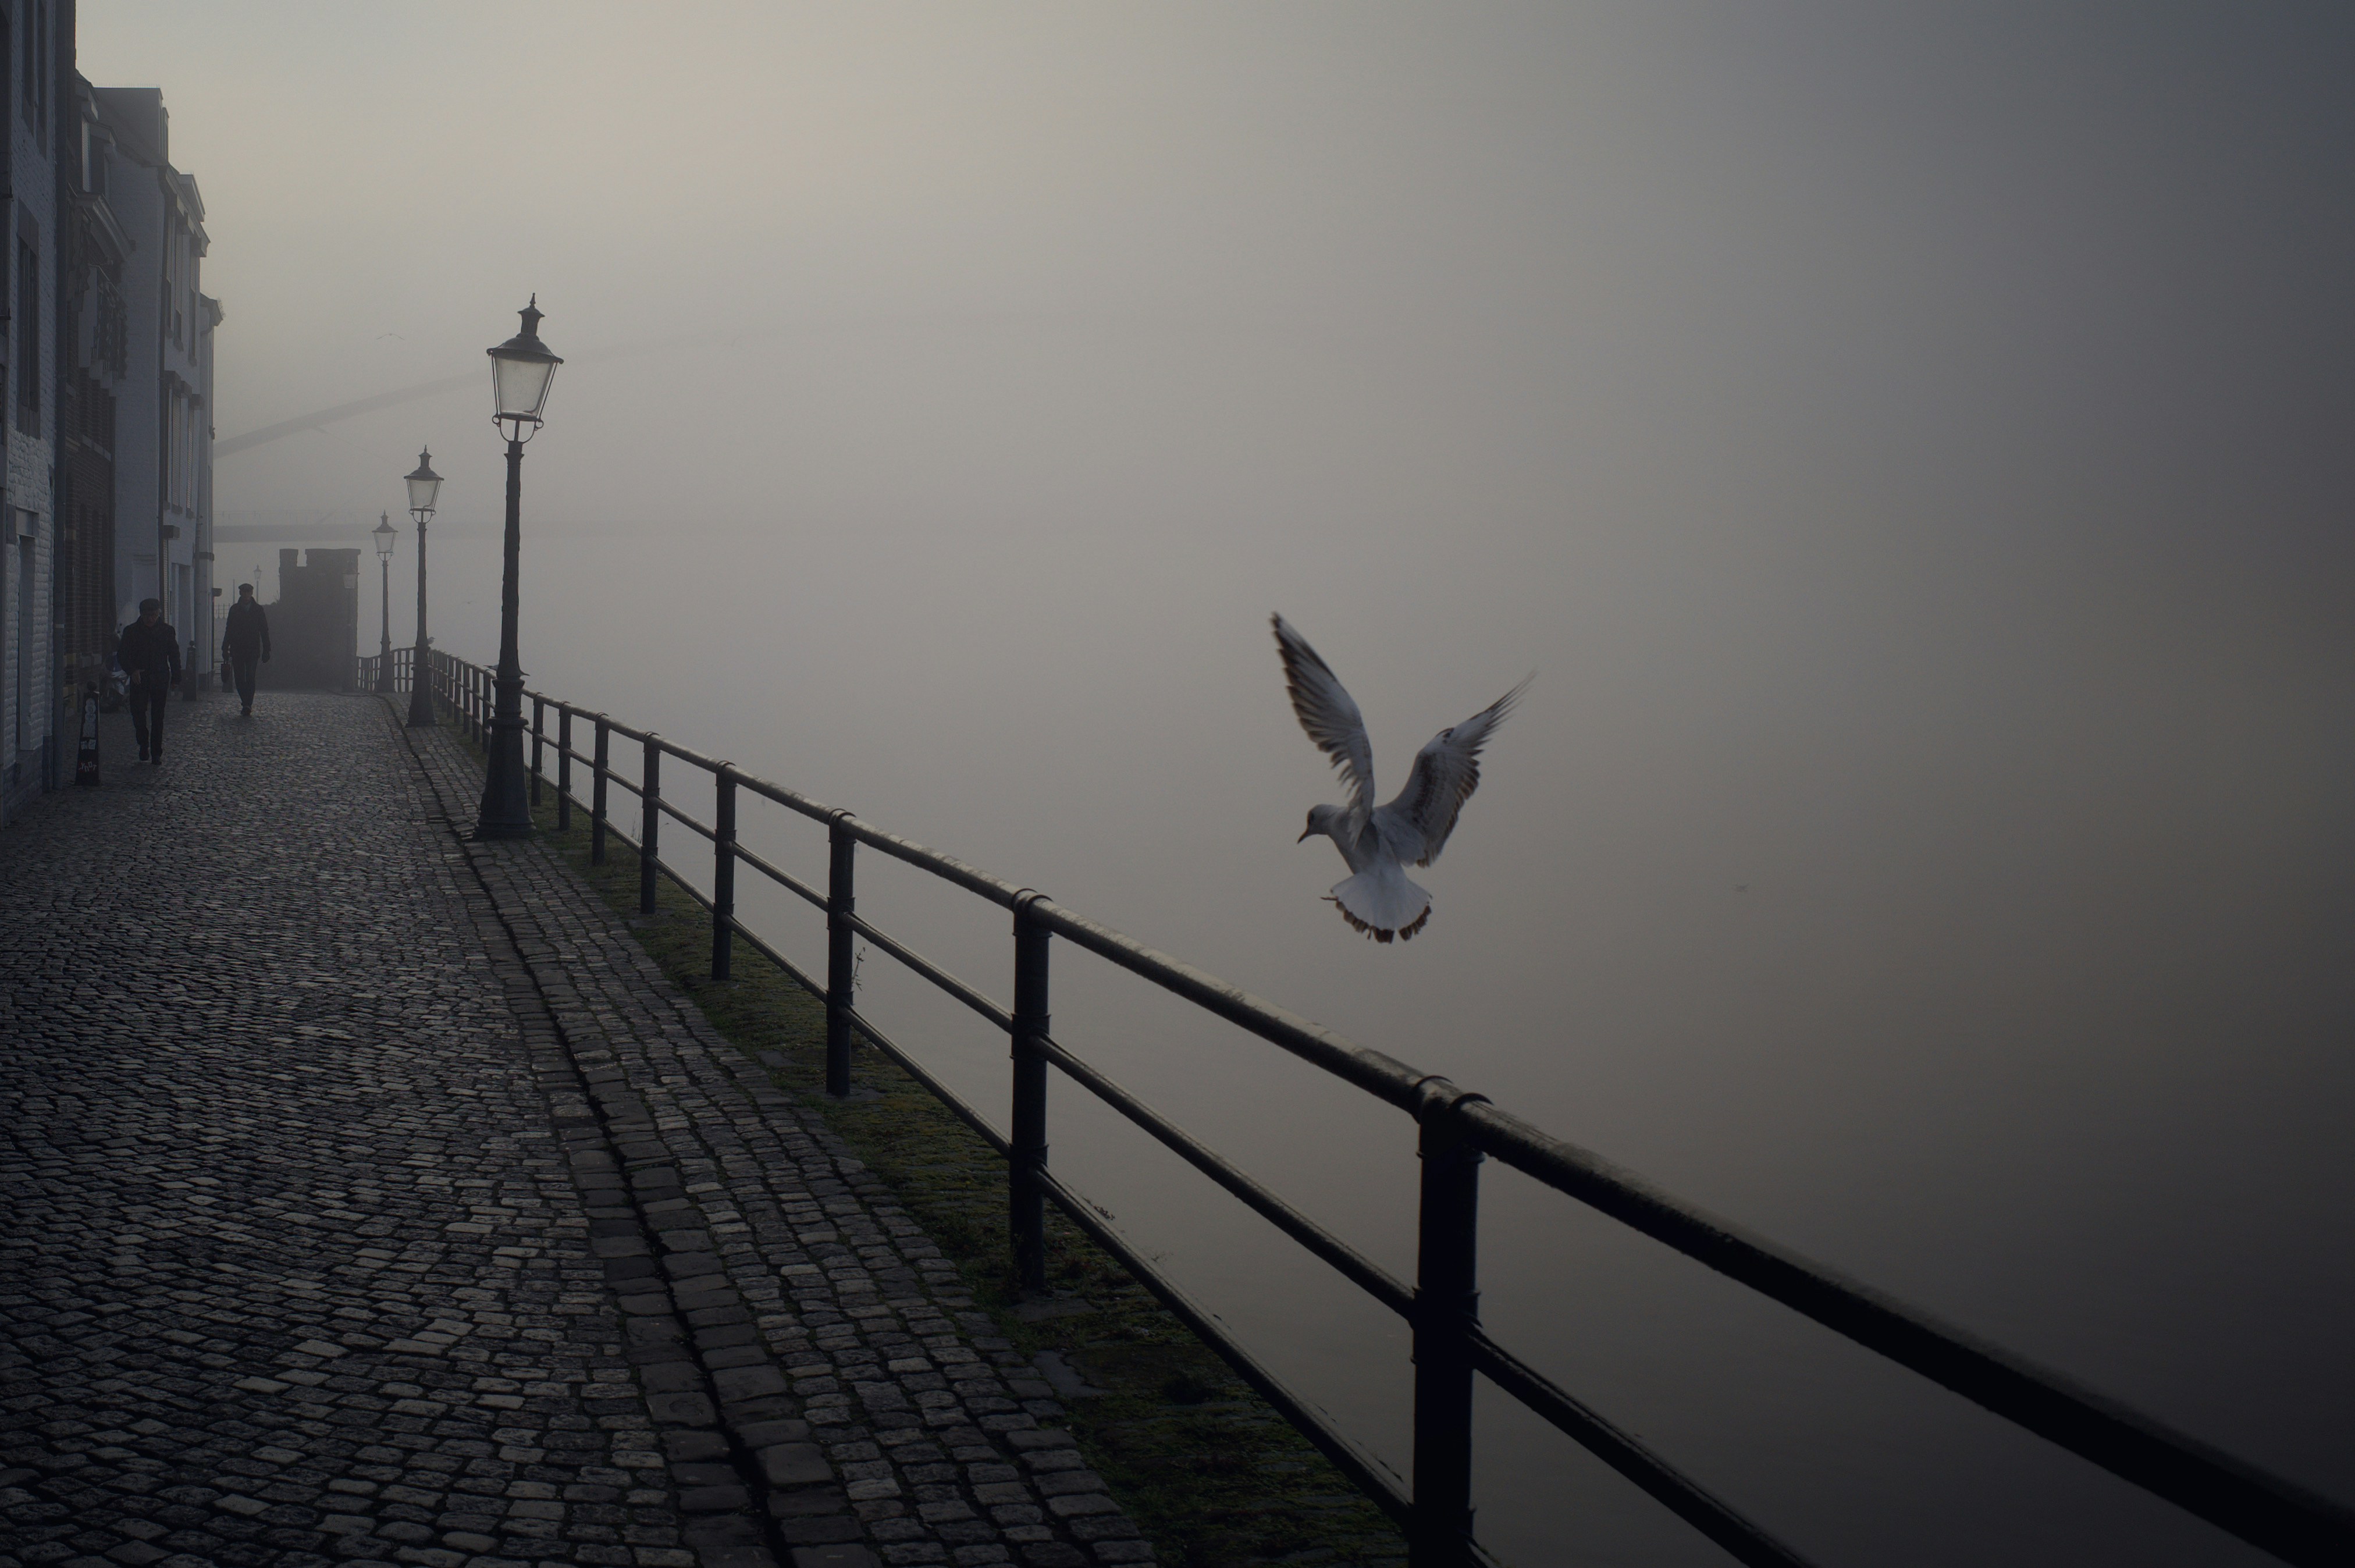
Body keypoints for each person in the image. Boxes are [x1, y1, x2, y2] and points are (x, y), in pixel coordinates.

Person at [118, 599, 182, 764]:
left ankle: (156, 752)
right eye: (147, 615)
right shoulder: (131, 632)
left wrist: (176, 678)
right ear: (141, 615)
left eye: (153, 615)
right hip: (140, 679)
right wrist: (132, 671)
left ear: (158, 614)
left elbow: (174, 655)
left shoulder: (167, 631)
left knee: (158, 717)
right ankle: (143, 742)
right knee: (138, 713)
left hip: (160, 678)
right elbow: (122, 655)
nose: (150, 619)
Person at [221, 582, 271, 716]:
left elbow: (264, 630)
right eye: (244, 592)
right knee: (239, 678)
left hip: (252, 649)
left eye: (248, 592)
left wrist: (267, 649)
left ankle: (248, 703)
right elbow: (229, 630)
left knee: (250, 676)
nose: (246, 594)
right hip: (237, 649)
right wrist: (225, 648)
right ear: (241, 593)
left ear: (251, 593)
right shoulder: (234, 610)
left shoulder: (258, 610)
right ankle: (245, 701)